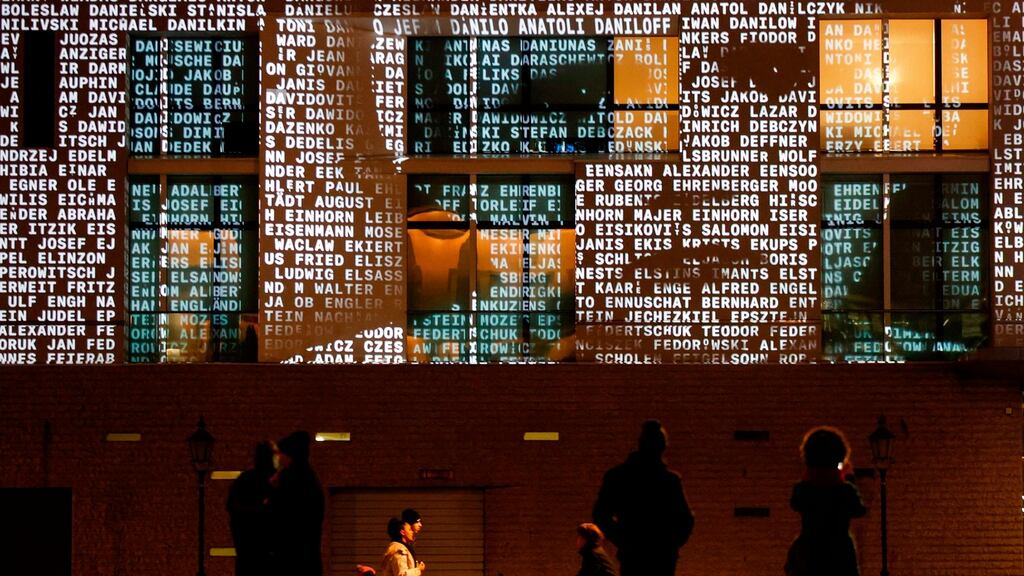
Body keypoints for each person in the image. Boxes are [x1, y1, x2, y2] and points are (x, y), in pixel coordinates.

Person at [593, 420, 694, 576]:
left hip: (634, 555)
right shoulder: (669, 480)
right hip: (662, 557)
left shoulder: (618, 477)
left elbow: (601, 514)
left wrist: (624, 540)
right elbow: (686, 519)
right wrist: (670, 544)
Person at [785, 426, 868, 576]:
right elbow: (859, 509)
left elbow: (795, 503)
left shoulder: (803, 489)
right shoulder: (845, 491)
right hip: (840, 553)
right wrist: (848, 478)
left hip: (810, 552)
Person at [269, 430, 325, 576]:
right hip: (308, 560)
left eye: (281, 454)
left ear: (290, 456)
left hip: (291, 560)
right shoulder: (310, 478)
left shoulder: (290, 480)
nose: (279, 459)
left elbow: (278, 515)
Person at [227, 441, 276, 576]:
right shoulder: (278, 481)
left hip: (248, 552)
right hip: (268, 552)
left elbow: (232, 507)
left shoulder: (244, 480)